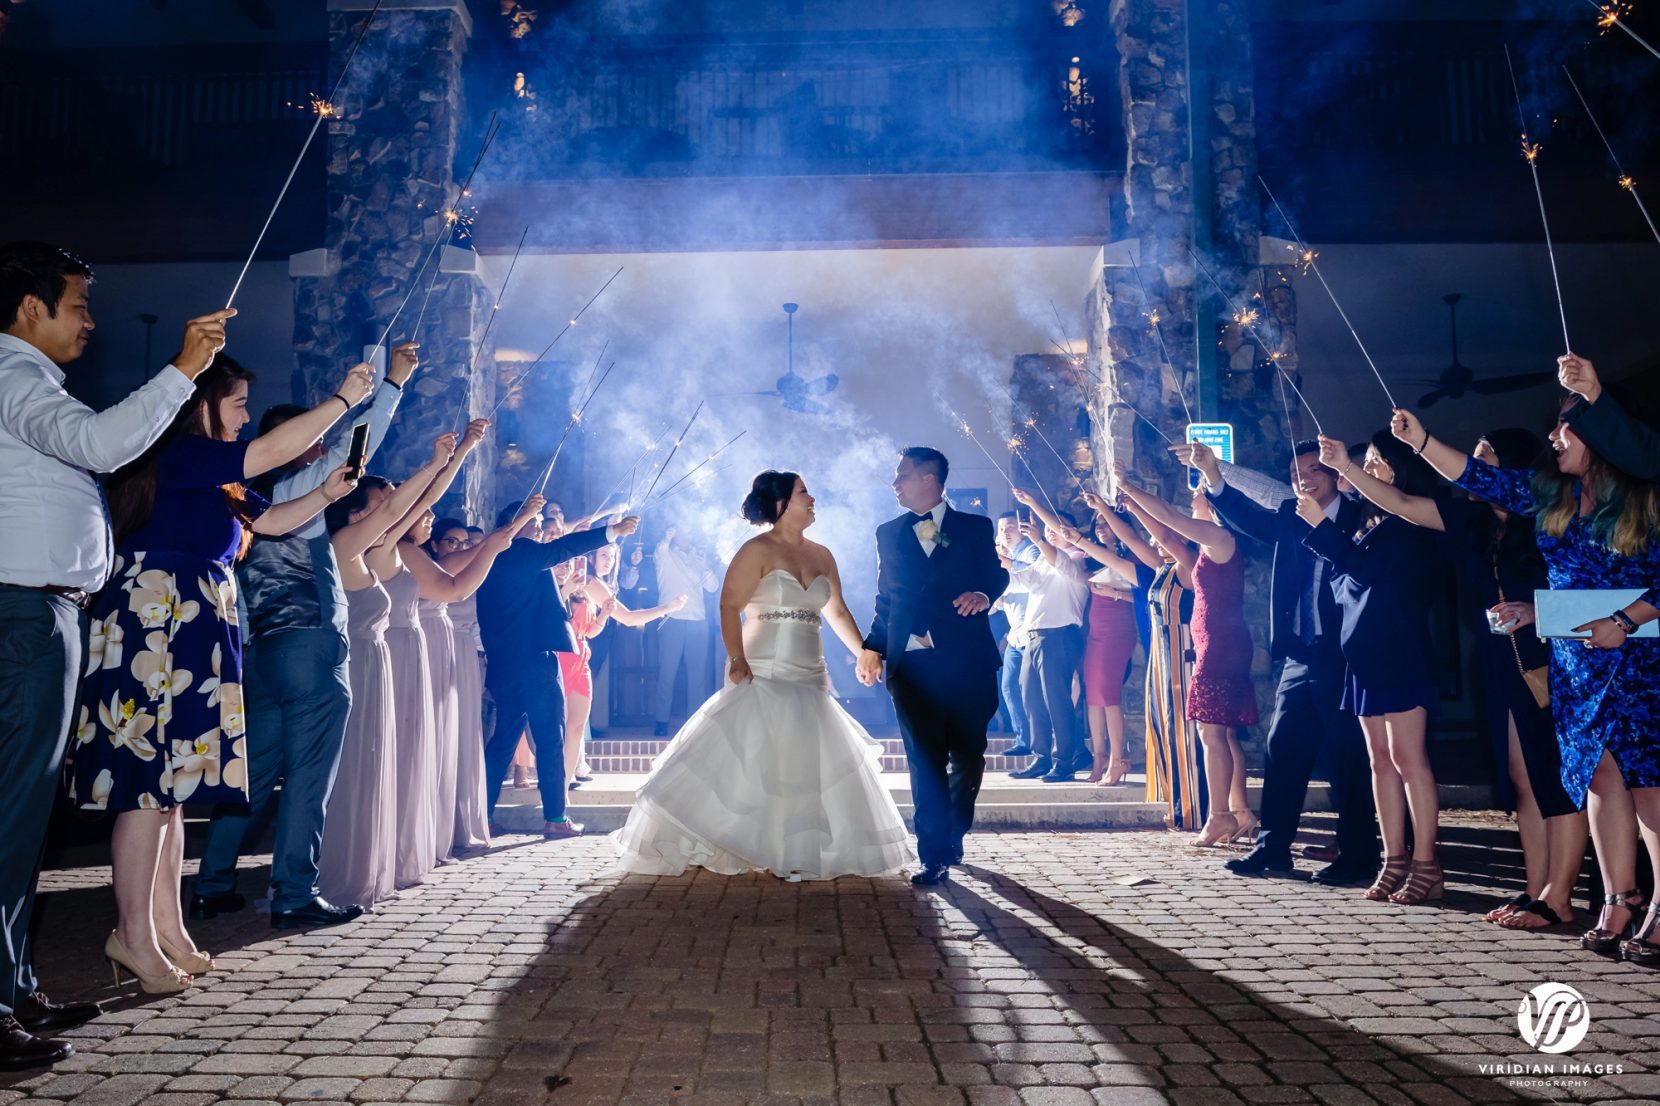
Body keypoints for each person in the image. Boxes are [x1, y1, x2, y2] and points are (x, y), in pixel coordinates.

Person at [72, 351, 373, 994]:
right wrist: (342, 402)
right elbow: (265, 453)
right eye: (236, 403)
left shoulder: (216, 478)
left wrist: (325, 493)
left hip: (190, 628)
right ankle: (131, 934)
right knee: (148, 788)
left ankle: (167, 927)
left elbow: (268, 521)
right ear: (201, 404)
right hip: (155, 624)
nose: (242, 417)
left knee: (173, 791)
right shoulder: (174, 452)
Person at [0, 240, 227, 1069]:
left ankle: (15, 982)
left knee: (26, 822)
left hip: (45, 612)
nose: (90, 320)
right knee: (11, 814)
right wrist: (181, 370)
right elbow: (99, 446)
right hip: (21, 614)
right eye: (80, 304)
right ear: (31, 308)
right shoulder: (12, 379)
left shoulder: (30, 383)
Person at [1394, 403, 1660, 965]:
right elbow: (1478, 477)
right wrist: (1421, 442)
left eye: (1566, 428)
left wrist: (1625, 621)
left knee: (1648, 786)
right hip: (1577, 664)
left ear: (1604, 436)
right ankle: (1619, 898)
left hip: (1638, 657)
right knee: (1597, 775)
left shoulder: (1646, 497)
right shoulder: (1552, 496)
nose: (1552, 437)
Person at [192, 341, 417, 929]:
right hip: (310, 646)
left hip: (259, 652)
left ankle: (212, 884)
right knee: (310, 773)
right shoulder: (292, 488)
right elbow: (355, 445)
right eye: (308, 440)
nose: (319, 447)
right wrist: (391, 384)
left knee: (254, 775)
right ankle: (293, 891)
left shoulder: (232, 495)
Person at [1328, 427, 1584, 928]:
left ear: (1513, 469)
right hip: (1500, 654)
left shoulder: (1549, 514)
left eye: (1484, 459)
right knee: (1520, 778)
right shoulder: (1473, 521)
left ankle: (1561, 895)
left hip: (1555, 654)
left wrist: (1421, 441)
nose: (1471, 467)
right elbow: (1402, 501)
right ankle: (1536, 891)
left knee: (1554, 777)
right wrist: (1347, 468)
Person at [617, 471, 915, 878]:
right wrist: (736, 657)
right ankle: (736, 840)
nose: (812, 499)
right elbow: (727, 606)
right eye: (803, 493)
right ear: (780, 504)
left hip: (810, 669)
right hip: (764, 666)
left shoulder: (823, 554)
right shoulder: (755, 550)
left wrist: (864, 652)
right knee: (755, 755)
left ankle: (796, 850)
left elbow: (838, 611)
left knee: (806, 760)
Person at [1178, 438, 1379, 884]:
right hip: (1301, 653)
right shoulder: (1290, 515)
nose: (1302, 479)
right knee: (1282, 750)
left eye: (1312, 471)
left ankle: (1359, 855)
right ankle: (1273, 849)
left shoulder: (1359, 517)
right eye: (1296, 472)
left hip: (1342, 653)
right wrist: (1214, 475)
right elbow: (1248, 519)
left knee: (1345, 756)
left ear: (1335, 475)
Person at [317, 436, 460, 908]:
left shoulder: (368, 550)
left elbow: (416, 505)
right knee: (360, 766)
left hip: (378, 665)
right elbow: (404, 508)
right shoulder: (342, 546)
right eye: (378, 506)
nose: (391, 513)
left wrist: (454, 459)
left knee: (380, 764)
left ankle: (381, 861)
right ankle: (346, 870)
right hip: (359, 666)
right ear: (355, 513)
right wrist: (436, 462)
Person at [856, 448, 1008, 886]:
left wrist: (983, 594)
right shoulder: (888, 532)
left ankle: (954, 831)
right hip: (911, 666)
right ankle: (933, 853)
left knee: (967, 754)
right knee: (924, 759)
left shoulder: (974, 527)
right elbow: (886, 598)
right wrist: (874, 648)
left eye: (902, 475)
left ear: (929, 479)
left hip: (966, 661)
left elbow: (996, 575)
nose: (895, 483)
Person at [1304, 433, 1443, 903]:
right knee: (1379, 762)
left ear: (1400, 470)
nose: (1368, 470)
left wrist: (1322, 529)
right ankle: (1394, 858)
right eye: (1365, 462)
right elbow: (1346, 586)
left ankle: (1427, 862)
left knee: (1409, 759)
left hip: (1400, 652)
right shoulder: (1368, 523)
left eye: (1377, 463)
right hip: (1363, 659)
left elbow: (1363, 573)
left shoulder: (1411, 522)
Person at [476, 501, 639, 837]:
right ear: (513, 525)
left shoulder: (489, 558)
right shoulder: (520, 551)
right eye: (534, 523)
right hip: (535, 662)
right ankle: (555, 817)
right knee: (552, 738)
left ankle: (484, 817)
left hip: (503, 663)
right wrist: (613, 531)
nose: (540, 528)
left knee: (502, 741)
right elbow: (566, 546)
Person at [1116, 467, 1259, 845]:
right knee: (1222, 734)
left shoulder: (1219, 536)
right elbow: (1163, 533)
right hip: (1220, 642)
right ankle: (1233, 812)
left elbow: (1169, 518)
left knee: (1211, 733)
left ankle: (1219, 816)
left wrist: (1131, 486)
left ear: (1212, 504)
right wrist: (1132, 505)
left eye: (1197, 491)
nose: (1192, 495)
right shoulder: (1205, 546)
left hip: (1219, 645)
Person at [402, 491, 534, 863]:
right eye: (453, 541)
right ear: (436, 541)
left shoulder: (440, 559)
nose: (460, 547)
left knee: (462, 736)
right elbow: (459, 582)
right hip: (427, 649)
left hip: (458, 652)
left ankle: (456, 822)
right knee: (436, 738)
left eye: (464, 542)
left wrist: (519, 522)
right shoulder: (421, 560)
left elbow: (482, 552)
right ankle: (433, 827)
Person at [1115, 486, 1202, 831]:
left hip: (1183, 655)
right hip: (1161, 657)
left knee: (1183, 731)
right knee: (1164, 727)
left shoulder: (1187, 566)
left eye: (1160, 541)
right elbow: (1135, 542)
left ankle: (1194, 808)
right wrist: (1119, 510)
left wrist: (1136, 503)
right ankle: (1175, 801)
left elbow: (1164, 533)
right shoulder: (1161, 567)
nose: (1153, 544)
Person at [1074, 491, 1159, 786]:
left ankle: (1117, 758)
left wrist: (1116, 594)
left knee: (1109, 693)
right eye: (1097, 524)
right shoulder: (1092, 559)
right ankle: (1098, 757)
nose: (1100, 528)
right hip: (1096, 631)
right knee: (1092, 693)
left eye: (1106, 523)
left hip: (1119, 627)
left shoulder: (1133, 555)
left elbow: (1143, 592)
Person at [1005, 492, 1091, 783]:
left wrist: (1039, 537)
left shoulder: (1078, 558)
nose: (1052, 534)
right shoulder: (1043, 561)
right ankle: (1041, 757)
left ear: (1072, 533)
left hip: (1059, 637)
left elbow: (1063, 566)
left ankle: (1065, 760)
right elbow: (1018, 581)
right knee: (1031, 697)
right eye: (1049, 529)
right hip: (1034, 638)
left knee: (1057, 700)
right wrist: (997, 561)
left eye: (1057, 529)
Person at [652, 526, 721, 735]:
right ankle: (661, 722)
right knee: (667, 672)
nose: (688, 534)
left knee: (697, 675)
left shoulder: (697, 558)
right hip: (671, 620)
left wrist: (705, 566)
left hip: (697, 622)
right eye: (685, 530)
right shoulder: (665, 555)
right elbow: (660, 549)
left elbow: (712, 586)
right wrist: (667, 536)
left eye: (690, 531)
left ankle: (695, 725)